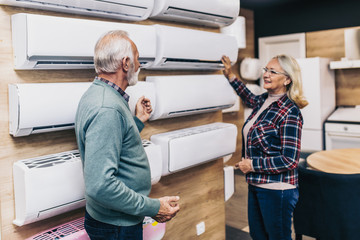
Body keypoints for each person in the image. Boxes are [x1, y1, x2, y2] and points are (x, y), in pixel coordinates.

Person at [75, 30, 180, 240]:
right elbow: (101, 186)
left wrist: (138, 120)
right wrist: (152, 207)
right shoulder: (107, 108)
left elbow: (115, 141)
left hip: (115, 221)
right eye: (137, 58)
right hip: (116, 226)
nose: (139, 64)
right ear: (125, 63)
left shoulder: (102, 96)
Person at [221, 54, 308, 240]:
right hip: (256, 184)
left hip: (278, 190)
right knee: (258, 236)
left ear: (287, 79)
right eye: (266, 70)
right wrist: (231, 76)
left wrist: (252, 165)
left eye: (273, 71)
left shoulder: (290, 112)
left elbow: (289, 160)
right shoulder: (263, 100)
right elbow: (248, 96)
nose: (266, 74)